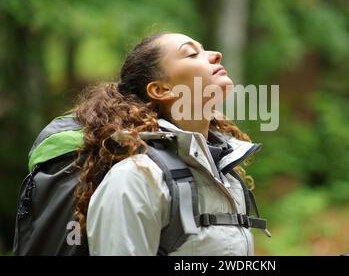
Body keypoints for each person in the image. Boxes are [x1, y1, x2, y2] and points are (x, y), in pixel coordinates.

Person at [71, 32, 266, 256]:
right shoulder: (137, 177)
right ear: (161, 89)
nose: (216, 55)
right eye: (192, 53)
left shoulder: (226, 175)